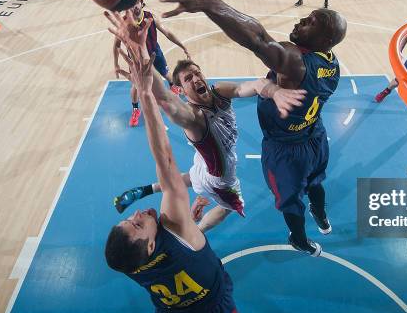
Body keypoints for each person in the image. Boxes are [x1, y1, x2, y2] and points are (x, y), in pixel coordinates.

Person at [159, 0, 347, 256]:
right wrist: (270, 88)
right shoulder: (331, 61)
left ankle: (298, 239)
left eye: (311, 21)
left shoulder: (295, 63)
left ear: (323, 38)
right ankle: (322, 216)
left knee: (290, 201)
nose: (302, 19)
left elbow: (258, 39)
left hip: (285, 150)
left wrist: (209, 3)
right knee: (316, 182)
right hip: (315, 136)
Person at [104, 11, 239, 313]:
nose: (135, 215)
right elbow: (163, 156)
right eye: (136, 225)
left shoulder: (130, 263)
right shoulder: (173, 223)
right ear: (151, 245)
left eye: (127, 221)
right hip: (212, 307)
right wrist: (146, 93)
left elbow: (131, 246)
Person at [113, 56, 306, 232]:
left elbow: (251, 86)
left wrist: (274, 91)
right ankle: (197, 232)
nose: (196, 79)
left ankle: (143, 191)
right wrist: (144, 63)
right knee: (230, 206)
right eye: (188, 78)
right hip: (220, 177)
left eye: (198, 73)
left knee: (192, 176)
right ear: (179, 90)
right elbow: (166, 100)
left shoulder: (220, 92)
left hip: (205, 162)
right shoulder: (194, 117)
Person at [113, 0, 191, 127]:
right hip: (137, 60)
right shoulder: (124, 23)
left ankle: (173, 86)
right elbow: (116, 45)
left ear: (141, 3)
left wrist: (182, 46)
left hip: (155, 53)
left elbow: (167, 33)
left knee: (166, 74)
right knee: (136, 86)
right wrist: (116, 64)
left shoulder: (150, 17)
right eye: (131, 5)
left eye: (136, 3)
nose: (134, 7)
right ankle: (135, 110)